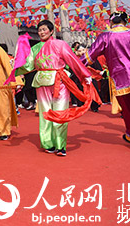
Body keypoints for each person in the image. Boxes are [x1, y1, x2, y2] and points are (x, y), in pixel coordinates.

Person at [83, 11, 130, 155]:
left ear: (111, 22)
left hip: (120, 79)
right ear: (125, 22)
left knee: (128, 110)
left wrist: (73, 65)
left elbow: (89, 56)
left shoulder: (105, 36)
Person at [13, 20, 93, 157]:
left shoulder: (60, 44)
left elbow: (72, 60)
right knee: (45, 114)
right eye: (39, 30)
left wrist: (85, 74)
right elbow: (27, 66)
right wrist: (13, 70)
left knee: (60, 112)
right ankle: (48, 143)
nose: (41, 32)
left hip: (59, 81)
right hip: (42, 82)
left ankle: (60, 145)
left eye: (44, 29)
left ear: (51, 31)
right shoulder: (35, 48)